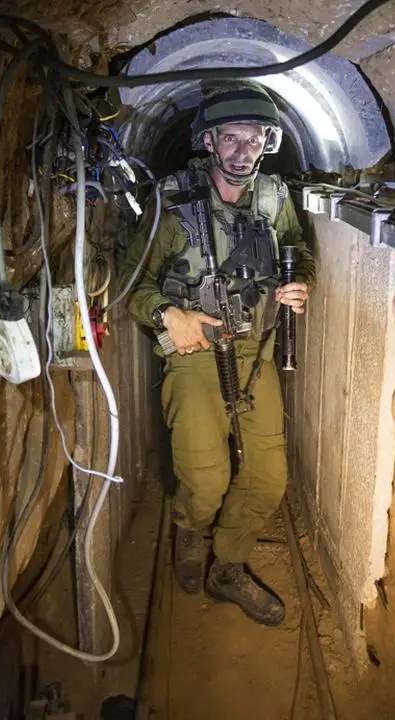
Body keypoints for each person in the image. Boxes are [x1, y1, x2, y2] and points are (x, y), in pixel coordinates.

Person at [121, 80, 315, 627]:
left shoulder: (275, 198)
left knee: (268, 477)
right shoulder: (173, 198)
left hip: (257, 350)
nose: (241, 152)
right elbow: (129, 284)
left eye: (254, 140)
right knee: (205, 481)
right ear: (209, 141)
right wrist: (167, 314)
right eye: (231, 138)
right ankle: (190, 530)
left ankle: (226, 567)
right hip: (196, 351)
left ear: (267, 144)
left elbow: (296, 250)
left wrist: (300, 281)